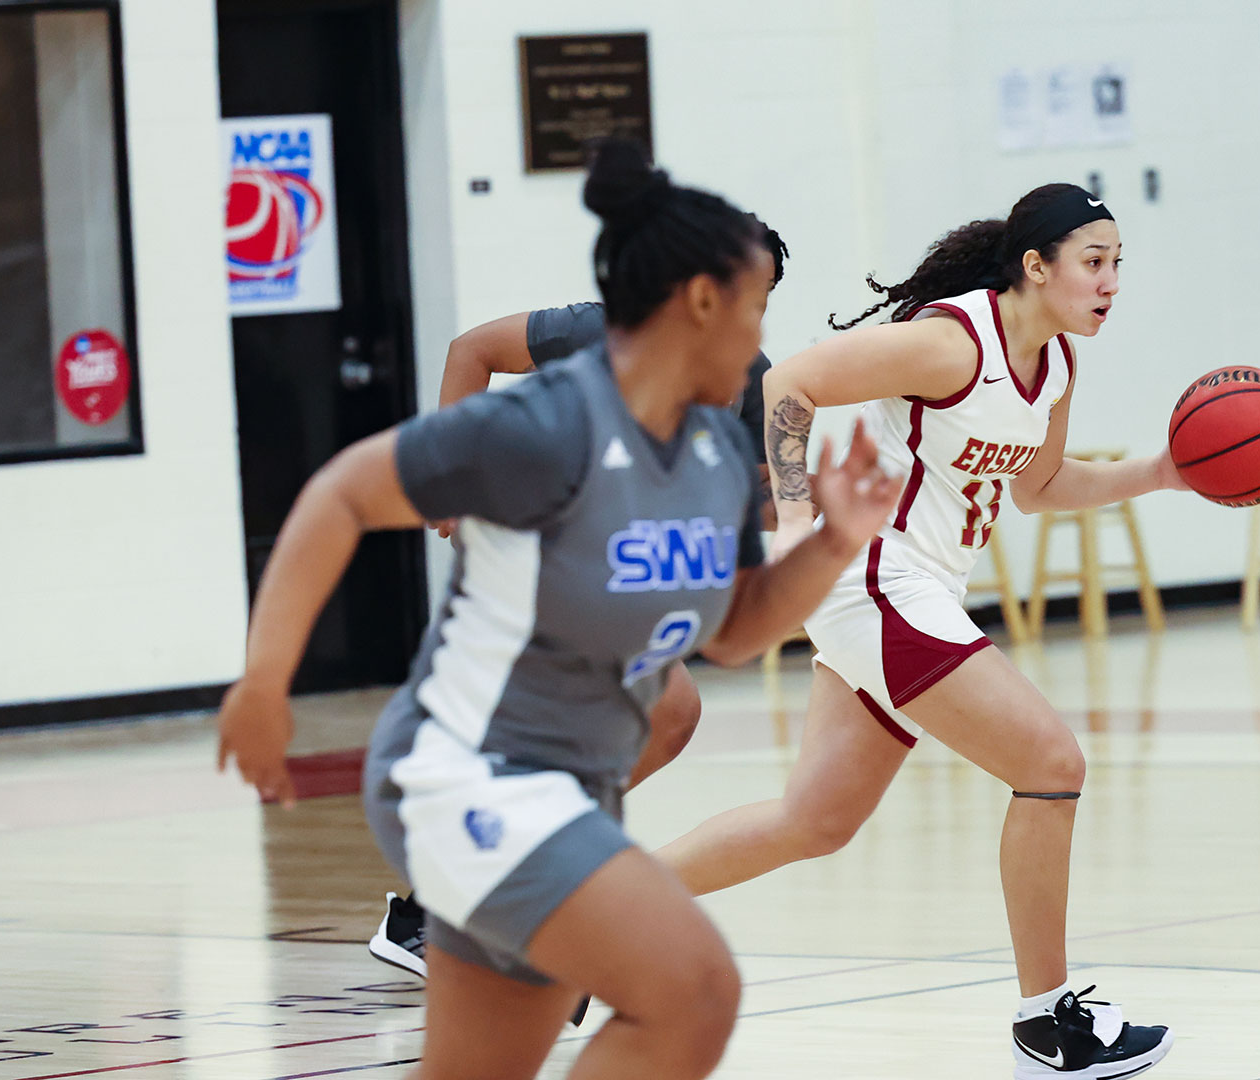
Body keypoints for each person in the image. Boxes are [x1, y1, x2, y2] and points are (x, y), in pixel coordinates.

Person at [216, 139, 902, 1080]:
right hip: (468, 776)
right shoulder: (549, 426)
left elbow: (738, 633)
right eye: (753, 307)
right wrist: (264, 684)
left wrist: (831, 542)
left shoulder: (711, 447)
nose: (763, 339)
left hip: (567, 787)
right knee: (694, 992)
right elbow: (339, 495)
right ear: (701, 303)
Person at [652, 182, 1185, 1080]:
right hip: (875, 578)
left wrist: (1164, 471)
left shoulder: (1053, 366)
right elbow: (790, 383)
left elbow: (1040, 489)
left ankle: (586, 925)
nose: (1111, 282)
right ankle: (1048, 1020)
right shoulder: (951, 341)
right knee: (1051, 763)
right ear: (1035, 266)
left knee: (813, 820)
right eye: (1094, 262)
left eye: (1117, 264)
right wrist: (785, 518)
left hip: (918, 589)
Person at [368, 223, 793, 982]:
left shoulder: (750, 378)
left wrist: (807, 498)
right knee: (657, 714)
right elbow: (473, 349)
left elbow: (761, 505)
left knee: (650, 723)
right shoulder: (602, 332)